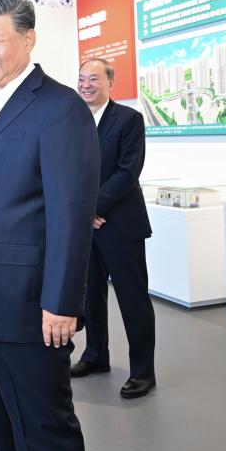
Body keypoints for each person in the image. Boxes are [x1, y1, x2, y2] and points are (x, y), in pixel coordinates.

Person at [0, 0, 99, 451]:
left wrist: (62, 302)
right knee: (6, 430)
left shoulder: (59, 108)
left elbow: (71, 213)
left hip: (28, 307)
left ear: (29, 39)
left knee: (43, 430)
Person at [71, 59, 157, 399]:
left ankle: (143, 371)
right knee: (91, 296)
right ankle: (95, 355)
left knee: (132, 299)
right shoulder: (72, 120)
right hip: (85, 227)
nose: (86, 85)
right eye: (81, 79)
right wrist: (81, 213)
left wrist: (92, 209)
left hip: (121, 224)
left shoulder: (128, 119)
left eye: (94, 78)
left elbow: (127, 172)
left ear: (110, 82)